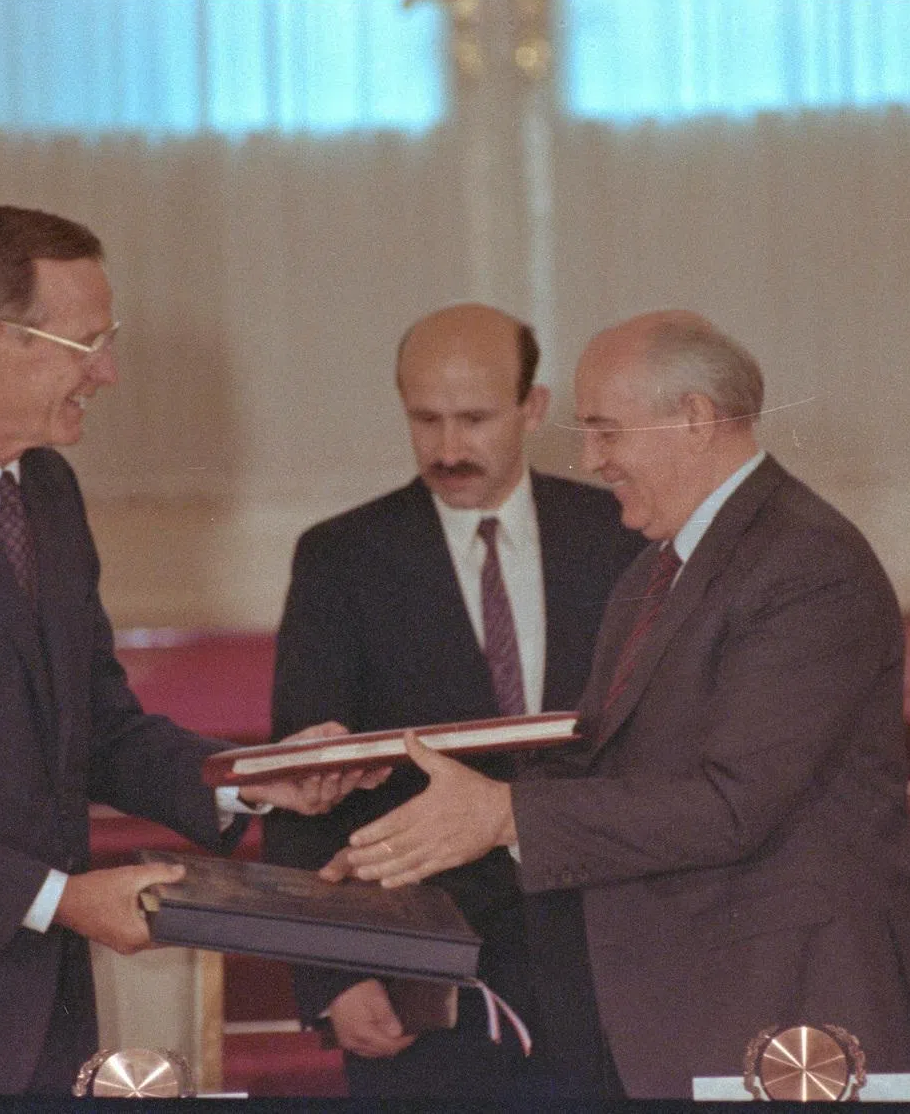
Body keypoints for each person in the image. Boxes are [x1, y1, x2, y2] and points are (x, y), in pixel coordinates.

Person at [0, 205, 384, 1095]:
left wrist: (251, 776)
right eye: (84, 343)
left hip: (34, 1011)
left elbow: (97, 726)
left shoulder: (47, 490)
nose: (108, 371)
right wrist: (64, 900)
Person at [326, 309, 910, 1097]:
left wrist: (503, 815)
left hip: (789, 1011)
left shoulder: (806, 563)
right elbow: (606, 765)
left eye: (607, 432)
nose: (589, 458)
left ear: (696, 419)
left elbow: (733, 804)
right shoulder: (655, 570)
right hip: (686, 1006)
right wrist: (414, 827)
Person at [263, 303, 643, 1099]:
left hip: (613, 971)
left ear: (533, 408)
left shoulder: (622, 536)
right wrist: (330, 976)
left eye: (473, 419)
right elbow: (302, 784)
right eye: (425, 420)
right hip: (425, 985)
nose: (448, 448)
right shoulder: (341, 559)